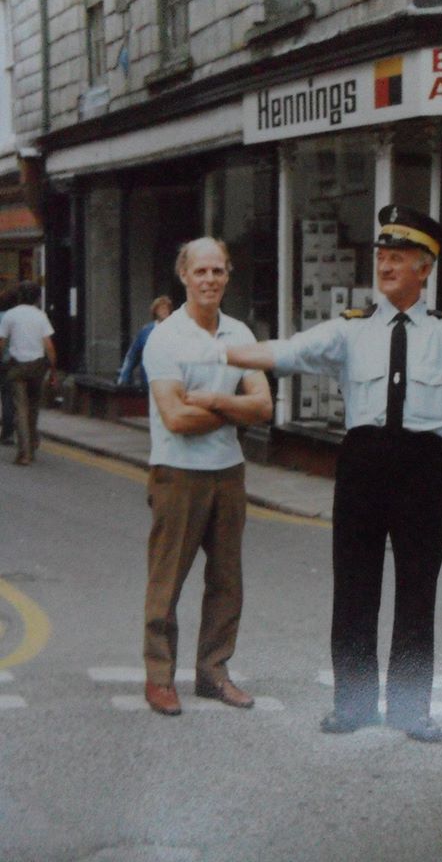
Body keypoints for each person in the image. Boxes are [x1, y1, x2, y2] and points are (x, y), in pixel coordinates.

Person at [189, 206, 442, 743]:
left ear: (425, 268)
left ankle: (410, 709)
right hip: (362, 463)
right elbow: (282, 351)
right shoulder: (347, 332)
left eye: (398, 257)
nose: (386, 266)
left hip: (422, 466)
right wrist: (212, 349)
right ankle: (352, 704)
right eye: (382, 256)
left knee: (417, 591)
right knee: (354, 588)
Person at [141, 237, 273, 716]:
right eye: (201, 272)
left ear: (228, 275)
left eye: (217, 271)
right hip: (177, 473)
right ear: (184, 276)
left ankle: (213, 673)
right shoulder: (166, 338)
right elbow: (175, 419)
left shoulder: (239, 335)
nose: (210, 280)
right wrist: (237, 410)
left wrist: (213, 401)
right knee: (167, 581)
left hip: (227, 473)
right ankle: (159, 677)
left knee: (226, 581)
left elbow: (264, 405)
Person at [0, 280, 57, 466]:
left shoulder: (10, 315)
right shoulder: (41, 315)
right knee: (33, 408)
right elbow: (48, 345)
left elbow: (1, 343)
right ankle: (32, 444)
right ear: (37, 297)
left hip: (16, 368)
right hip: (37, 367)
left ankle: (24, 454)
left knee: (21, 410)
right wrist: (53, 369)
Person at [117, 295, 173, 389]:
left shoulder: (177, 330)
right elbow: (133, 356)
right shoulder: (145, 331)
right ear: (155, 311)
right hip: (148, 383)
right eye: (161, 308)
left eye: (166, 308)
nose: (164, 311)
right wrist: (124, 378)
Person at [0, 283, 19, 445]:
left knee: (7, 397)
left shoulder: (3, 317)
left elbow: (1, 342)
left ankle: (7, 433)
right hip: (23, 362)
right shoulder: (19, 317)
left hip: (5, 363)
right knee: (17, 398)